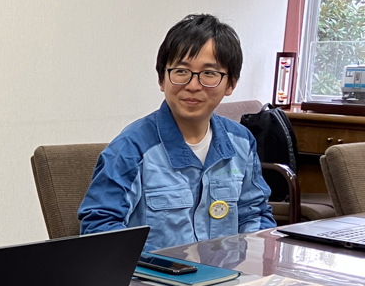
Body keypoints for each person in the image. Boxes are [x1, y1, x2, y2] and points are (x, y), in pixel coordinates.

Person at [78, 14, 275, 251]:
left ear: (230, 84)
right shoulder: (131, 148)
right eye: (181, 71)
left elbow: (254, 215)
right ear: (162, 79)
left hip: (227, 273)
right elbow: (99, 228)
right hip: (152, 275)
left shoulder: (241, 142)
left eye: (209, 73)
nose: (193, 85)